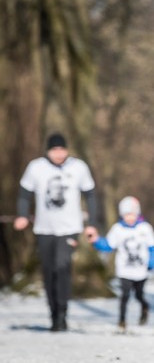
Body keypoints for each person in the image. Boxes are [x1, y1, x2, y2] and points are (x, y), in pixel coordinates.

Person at [14, 133, 99, 331]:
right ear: (48, 151)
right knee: (49, 271)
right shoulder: (36, 168)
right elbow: (24, 194)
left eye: (62, 149)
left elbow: (91, 196)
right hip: (44, 228)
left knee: (62, 268)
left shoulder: (79, 167)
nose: (58, 154)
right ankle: (53, 313)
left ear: (67, 150)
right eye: (54, 150)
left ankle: (62, 314)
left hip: (70, 229)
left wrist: (92, 224)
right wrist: (22, 215)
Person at [89, 196, 154, 331]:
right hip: (124, 270)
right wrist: (96, 241)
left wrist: (151, 263)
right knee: (125, 295)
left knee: (139, 295)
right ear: (122, 215)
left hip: (141, 270)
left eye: (132, 214)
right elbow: (109, 245)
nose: (130, 217)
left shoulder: (145, 228)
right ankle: (122, 321)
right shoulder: (118, 229)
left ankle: (145, 307)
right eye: (127, 214)